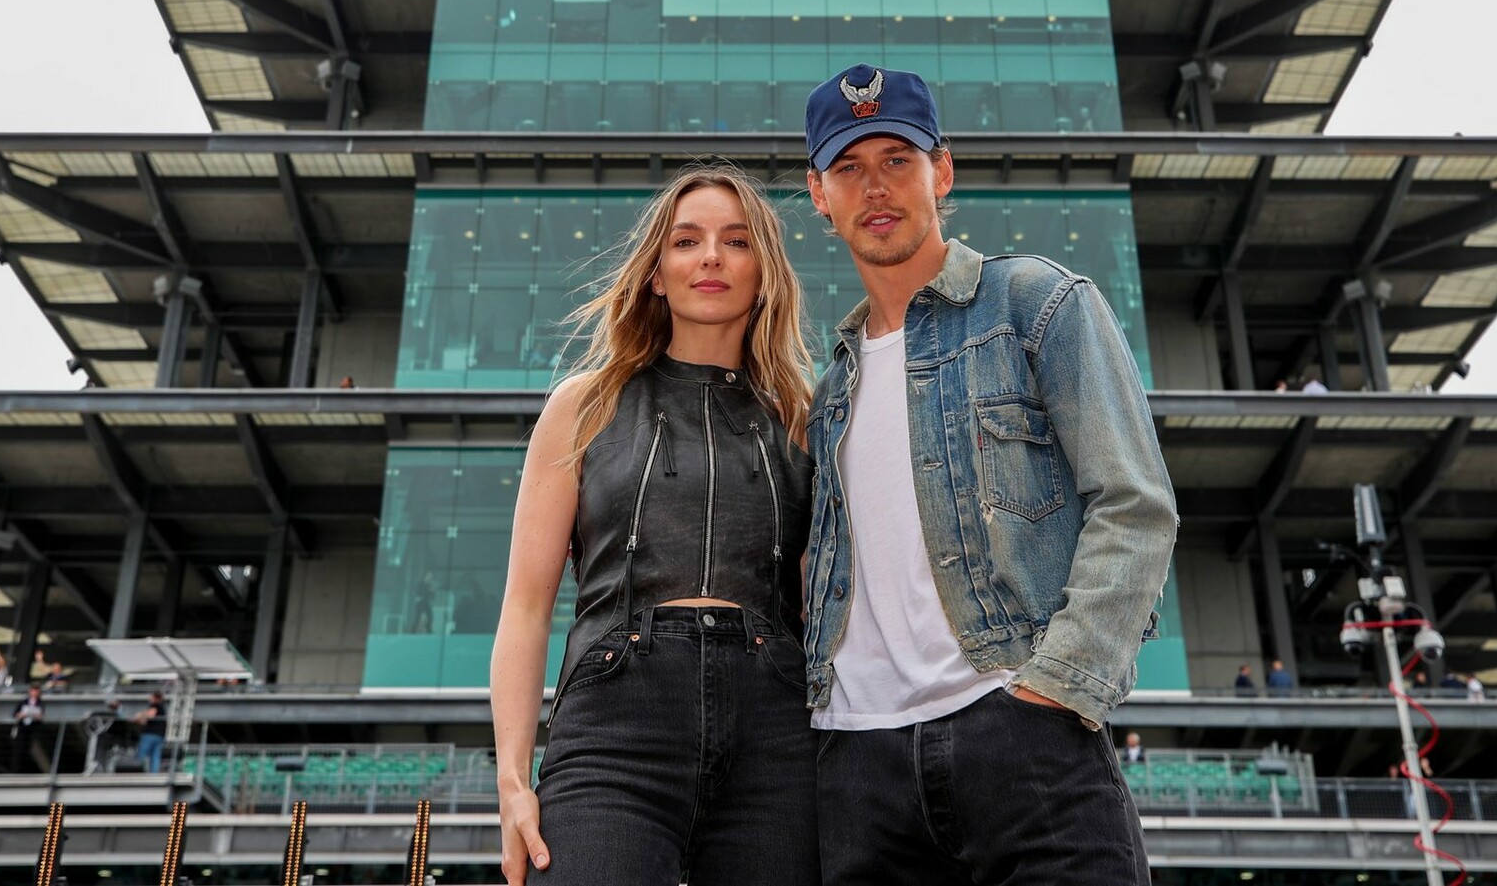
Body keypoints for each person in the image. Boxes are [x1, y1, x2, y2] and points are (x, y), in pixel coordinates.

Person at [800, 64, 1178, 886]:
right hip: (858, 769)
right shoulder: (828, 394)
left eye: (897, 159)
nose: (875, 187)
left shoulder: (1036, 303)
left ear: (941, 170)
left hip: (1025, 736)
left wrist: (1057, 688)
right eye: (848, 168)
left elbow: (1134, 503)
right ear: (819, 194)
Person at [491, 166, 817, 886]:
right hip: (614, 726)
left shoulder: (803, 419)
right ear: (656, 274)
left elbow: (823, 604)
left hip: (776, 733)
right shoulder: (583, 405)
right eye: (687, 240)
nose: (711, 257)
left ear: (764, 273)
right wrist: (513, 780)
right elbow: (525, 605)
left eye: (737, 241)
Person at [13, 685, 46, 771]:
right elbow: (15, 714)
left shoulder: (40, 703)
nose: (34, 693)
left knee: (30, 747)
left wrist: (36, 716)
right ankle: (17, 768)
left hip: (33, 728)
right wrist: (21, 715)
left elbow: (41, 716)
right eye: (33, 691)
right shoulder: (23, 702)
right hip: (23, 727)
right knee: (20, 747)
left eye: (36, 691)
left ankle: (27, 767)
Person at [132, 692, 168, 772]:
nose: (149, 699)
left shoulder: (156, 705)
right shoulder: (163, 708)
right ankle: (153, 773)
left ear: (156, 698)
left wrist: (139, 715)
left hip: (150, 734)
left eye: (151, 697)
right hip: (159, 735)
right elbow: (145, 721)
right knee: (155, 756)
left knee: (142, 753)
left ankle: (137, 771)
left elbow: (151, 714)